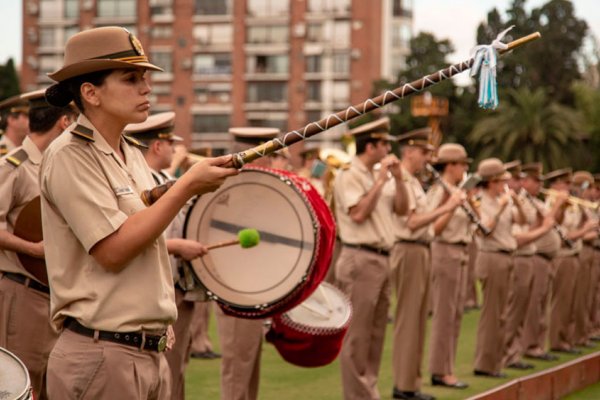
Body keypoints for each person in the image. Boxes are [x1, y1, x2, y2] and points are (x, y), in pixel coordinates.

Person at [40, 26, 238, 399]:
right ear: (90, 92)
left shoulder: (130, 152)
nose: (146, 88)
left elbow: (145, 231)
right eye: (131, 78)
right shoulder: (69, 156)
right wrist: (186, 185)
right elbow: (113, 251)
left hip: (146, 351)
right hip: (101, 355)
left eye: (144, 77)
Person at [124, 111, 211, 400]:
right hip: (160, 287)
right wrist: (179, 247)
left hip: (177, 284)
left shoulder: (164, 179)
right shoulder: (145, 184)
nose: (176, 151)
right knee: (166, 376)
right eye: (171, 144)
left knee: (178, 372)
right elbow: (139, 235)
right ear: (158, 146)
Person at [0, 88, 76, 400]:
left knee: (52, 385)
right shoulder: (13, 166)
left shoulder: (57, 164)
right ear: (64, 122)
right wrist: (33, 250)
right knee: (22, 386)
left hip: (54, 294)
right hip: (22, 291)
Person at [333, 117, 406, 400]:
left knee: (376, 335)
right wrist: (378, 182)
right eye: (385, 144)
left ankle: (368, 391)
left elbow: (402, 209)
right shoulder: (349, 174)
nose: (389, 149)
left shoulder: (379, 175)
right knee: (357, 336)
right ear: (371, 146)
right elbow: (359, 214)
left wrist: (398, 180)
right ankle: (357, 396)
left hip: (382, 259)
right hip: (360, 258)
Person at [390, 128, 463, 400]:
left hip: (420, 249)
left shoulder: (412, 181)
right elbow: (411, 222)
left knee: (418, 321)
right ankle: (403, 386)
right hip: (408, 249)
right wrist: (448, 206)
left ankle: (411, 384)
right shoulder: (402, 180)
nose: (427, 159)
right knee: (409, 321)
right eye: (423, 153)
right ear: (409, 151)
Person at [214, 126, 280, 400]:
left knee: (249, 365)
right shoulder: (230, 191)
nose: (273, 161)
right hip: (235, 288)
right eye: (269, 155)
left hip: (254, 286)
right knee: (237, 368)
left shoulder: (257, 191)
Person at [426, 143, 473, 390]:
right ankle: (440, 371)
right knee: (445, 314)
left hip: (460, 252)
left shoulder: (455, 190)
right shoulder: (440, 191)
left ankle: (448, 368)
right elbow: (434, 228)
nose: (465, 169)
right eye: (462, 164)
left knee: (454, 315)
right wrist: (452, 205)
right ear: (451, 165)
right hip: (445, 251)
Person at [502, 161, 555, 370]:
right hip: (521, 257)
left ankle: (520, 350)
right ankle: (511, 352)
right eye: (515, 179)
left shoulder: (528, 202)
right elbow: (522, 235)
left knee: (533, 307)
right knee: (516, 311)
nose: (517, 184)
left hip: (531, 258)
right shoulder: (514, 202)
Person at [472, 158, 523, 378]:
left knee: (502, 314)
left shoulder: (503, 200)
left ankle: (495, 363)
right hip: (491, 256)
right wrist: (501, 209)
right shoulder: (480, 201)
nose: (505, 184)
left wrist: (516, 202)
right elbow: (485, 230)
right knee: (492, 313)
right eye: (501, 180)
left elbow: (522, 219)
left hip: (506, 256)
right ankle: (485, 364)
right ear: (491, 181)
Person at [545, 169, 597, 354]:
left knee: (577, 299)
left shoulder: (574, 205)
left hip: (574, 254)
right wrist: (584, 231)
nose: (570, 188)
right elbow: (564, 235)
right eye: (566, 184)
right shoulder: (554, 204)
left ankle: (570, 337)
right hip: (564, 255)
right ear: (556, 185)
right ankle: (559, 341)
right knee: (563, 301)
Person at [519, 163, 562, 362]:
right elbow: (545, 222)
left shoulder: (537, 201)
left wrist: (558, 207)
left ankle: (538, 343)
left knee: (542, 303)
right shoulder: (524, 201)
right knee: (534, 305)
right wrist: (558, 204)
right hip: (535, 256)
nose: (539, 185)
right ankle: (530, 345)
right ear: (525, 181)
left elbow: (554, 221)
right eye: (536, 181)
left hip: (546, 258)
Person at [571, 171, 598, 348]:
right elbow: (573, 232)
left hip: (591, 250)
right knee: (580, 296)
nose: (592, 191)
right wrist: (590, 231)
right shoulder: (576, 206)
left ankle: (587, 331)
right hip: (584, 250)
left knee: (591, 296)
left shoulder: (586, 206)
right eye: (589, 187)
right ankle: (578, 335)